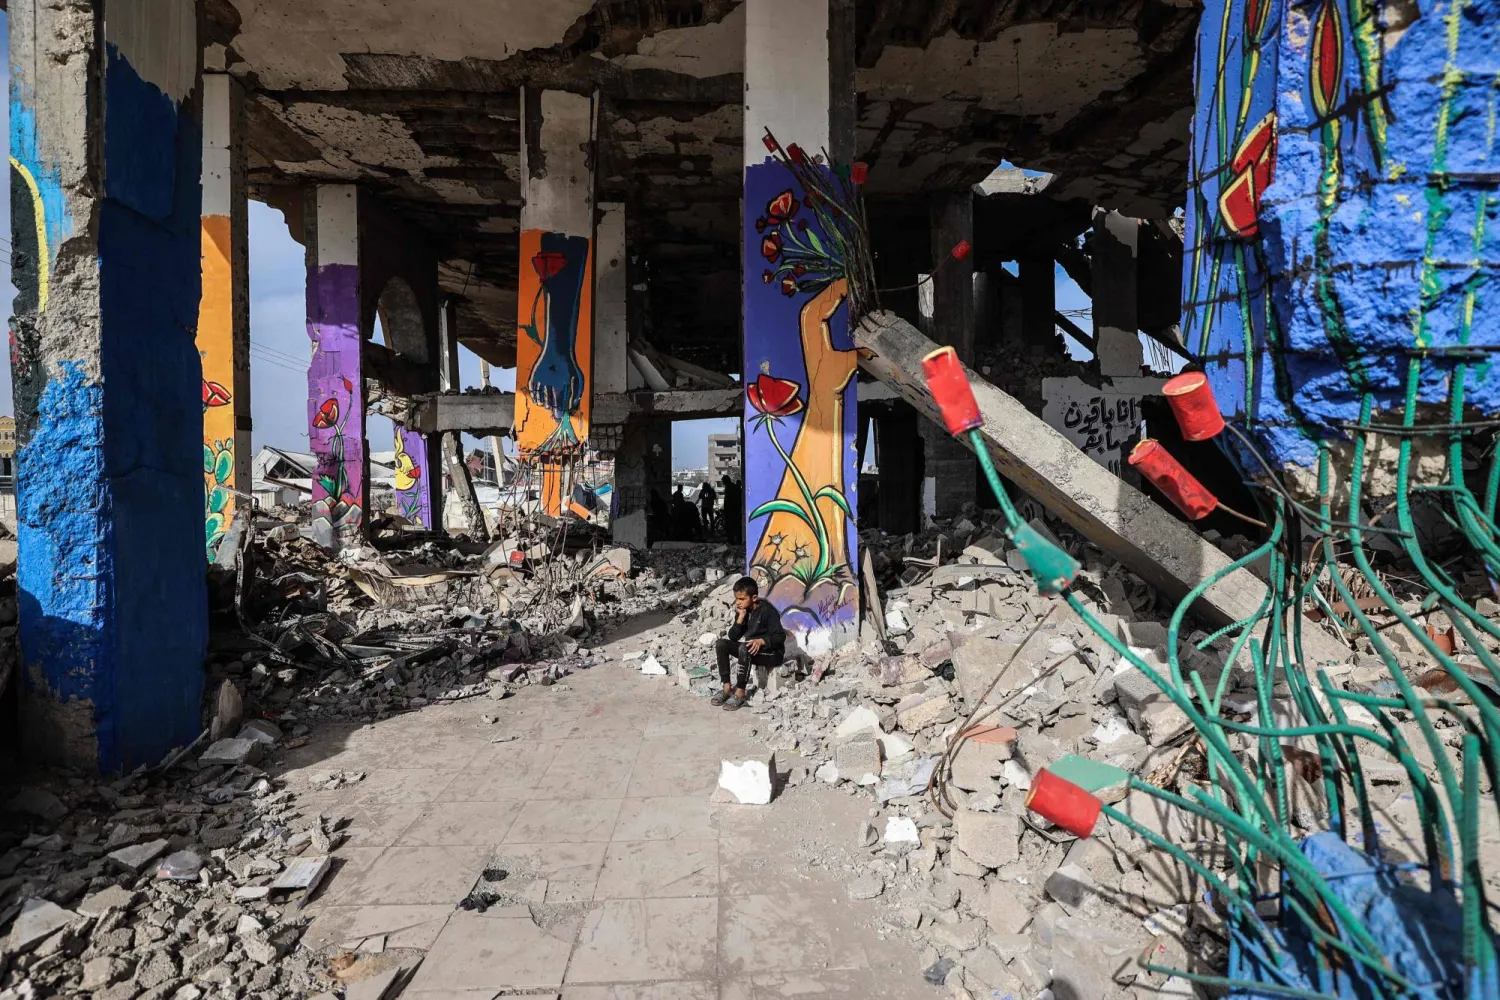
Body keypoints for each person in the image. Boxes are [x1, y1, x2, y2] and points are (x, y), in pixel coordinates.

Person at [712, 576, 784, 711]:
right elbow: (733, 637)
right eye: (736, 599)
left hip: (772, 653)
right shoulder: (744, 611)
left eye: (742, 599)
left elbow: (780, 637)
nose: (738, 602)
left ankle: (740, 693)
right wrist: (740, 617)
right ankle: (727, 688)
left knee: (744, 648)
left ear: (754, 597)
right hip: (751, 650)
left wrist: (762, 641)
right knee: (721, 643)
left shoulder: (768, 611)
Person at [720, 475, 743, 545]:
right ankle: (737, 540)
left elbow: (728, 501)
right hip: (736, 510)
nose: (723, 483)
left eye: (723, 481)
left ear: (726, 481)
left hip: (731, 510)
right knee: (736, 526)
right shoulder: (734, 487)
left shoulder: (729, 488)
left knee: (730, 527)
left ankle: (731, 541)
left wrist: (725, 510)